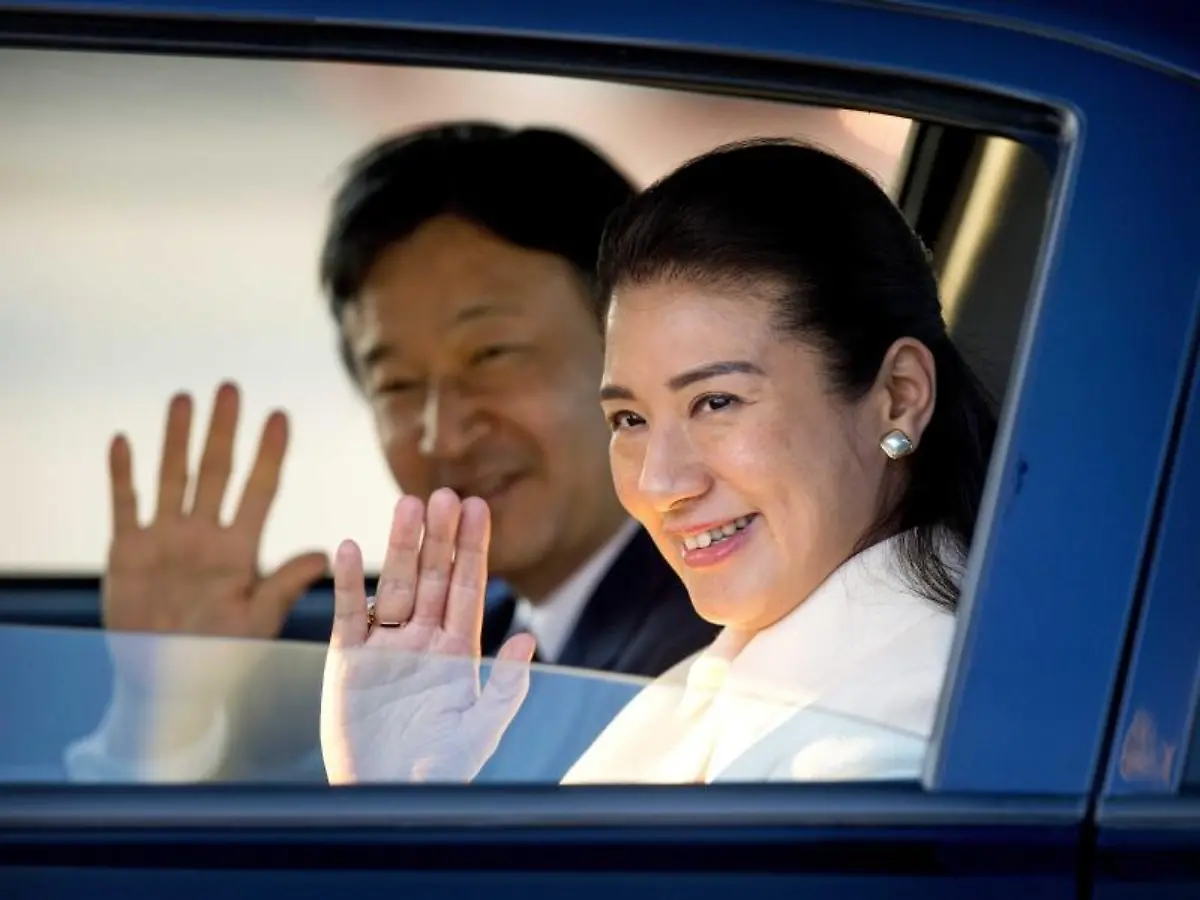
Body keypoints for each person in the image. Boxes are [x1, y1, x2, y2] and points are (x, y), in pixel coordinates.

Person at [320, 138, 999, 785]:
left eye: (716, 402)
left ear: (899, 396)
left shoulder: (894, 741)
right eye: (630, 420)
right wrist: (403, 798)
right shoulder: (727, 679)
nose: (659, 483)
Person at [65, 123, 717, 783]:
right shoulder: (458, 641)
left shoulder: (703, 654)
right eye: (398, 385)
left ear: (632, 347)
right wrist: (161, 704)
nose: (443, 433)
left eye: (491, 355)